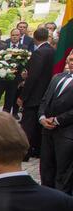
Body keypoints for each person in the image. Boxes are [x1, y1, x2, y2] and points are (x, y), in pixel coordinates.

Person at [38, 49, 73, 194]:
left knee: (63, 172)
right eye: (70, 59)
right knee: (46, 167)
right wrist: (42, 117)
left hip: (67, 133)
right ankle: (45, 197)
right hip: (47, 131)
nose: (71, 62)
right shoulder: (57, 77)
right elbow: (45, 99)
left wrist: (58, 120)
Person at [19, 28, 55, 160]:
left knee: (28, 124)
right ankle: (37, 149)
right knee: (38, 124)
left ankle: (25, 152)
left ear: (34, 38)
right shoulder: (53, 51)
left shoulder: (39, 53)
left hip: (35, 95)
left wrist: (23, 96)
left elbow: (33, 77)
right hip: (47, 93)